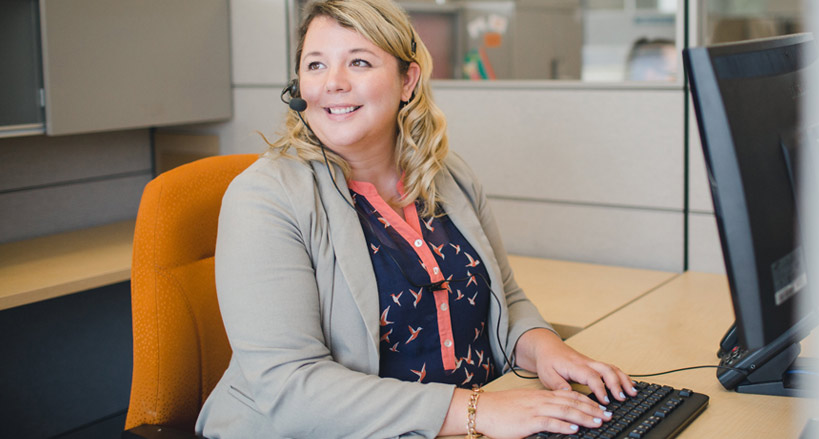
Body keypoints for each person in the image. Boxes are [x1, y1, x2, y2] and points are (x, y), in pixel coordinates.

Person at [196, 1, 638, 437]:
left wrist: (546, 350)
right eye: (315, 65)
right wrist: (478, 410)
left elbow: (507, 298)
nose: (332, 83)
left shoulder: (449, 177)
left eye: (359, 62)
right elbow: (291, 389)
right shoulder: (266, 198)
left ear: (407, 80)